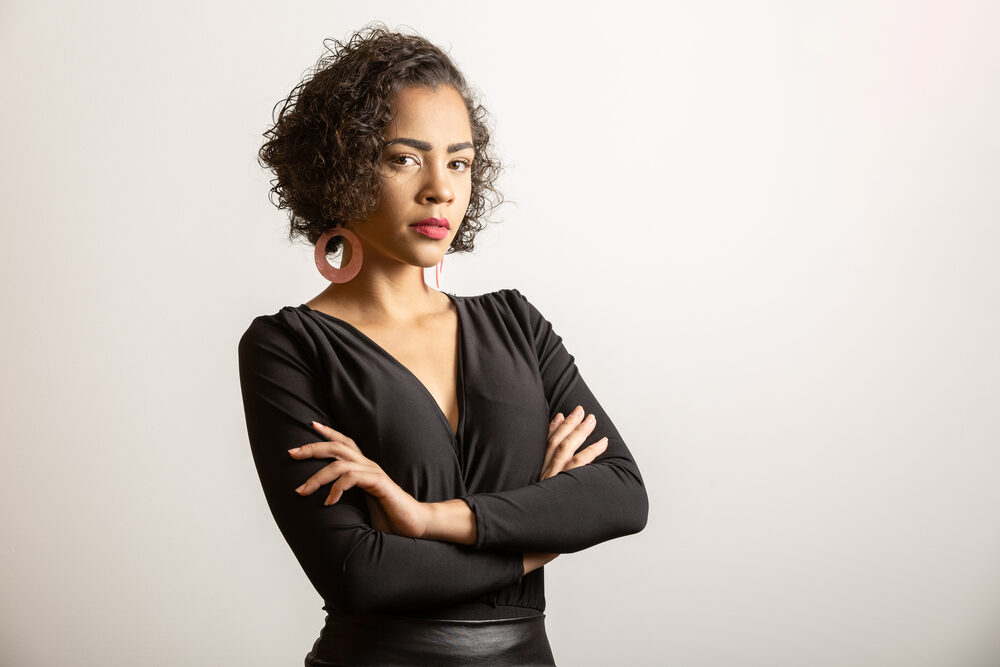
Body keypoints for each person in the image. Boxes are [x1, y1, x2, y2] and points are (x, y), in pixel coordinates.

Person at [238, 23, 648, 666]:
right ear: (342, 167)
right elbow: (361, 573)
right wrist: (543, 532)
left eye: (458, 161)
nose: (441, 188)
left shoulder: (516, 324)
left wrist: (427, 521)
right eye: (404, 157)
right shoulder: (287, 347)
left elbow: (622, 495)